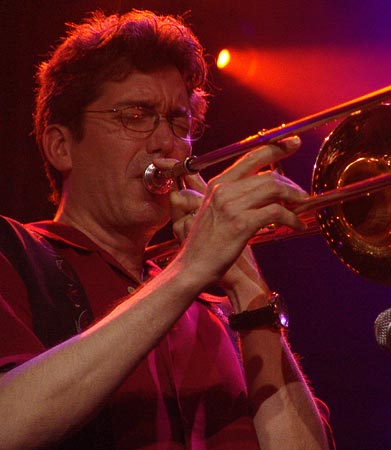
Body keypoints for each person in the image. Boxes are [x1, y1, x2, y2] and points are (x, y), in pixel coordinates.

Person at [0, 9, 333, 450]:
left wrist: (249, 293)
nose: (166, 143)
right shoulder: (15, 252)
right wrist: (190, 269)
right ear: (61, 146)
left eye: (179, 123)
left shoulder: (217, 315)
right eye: (136, 115)